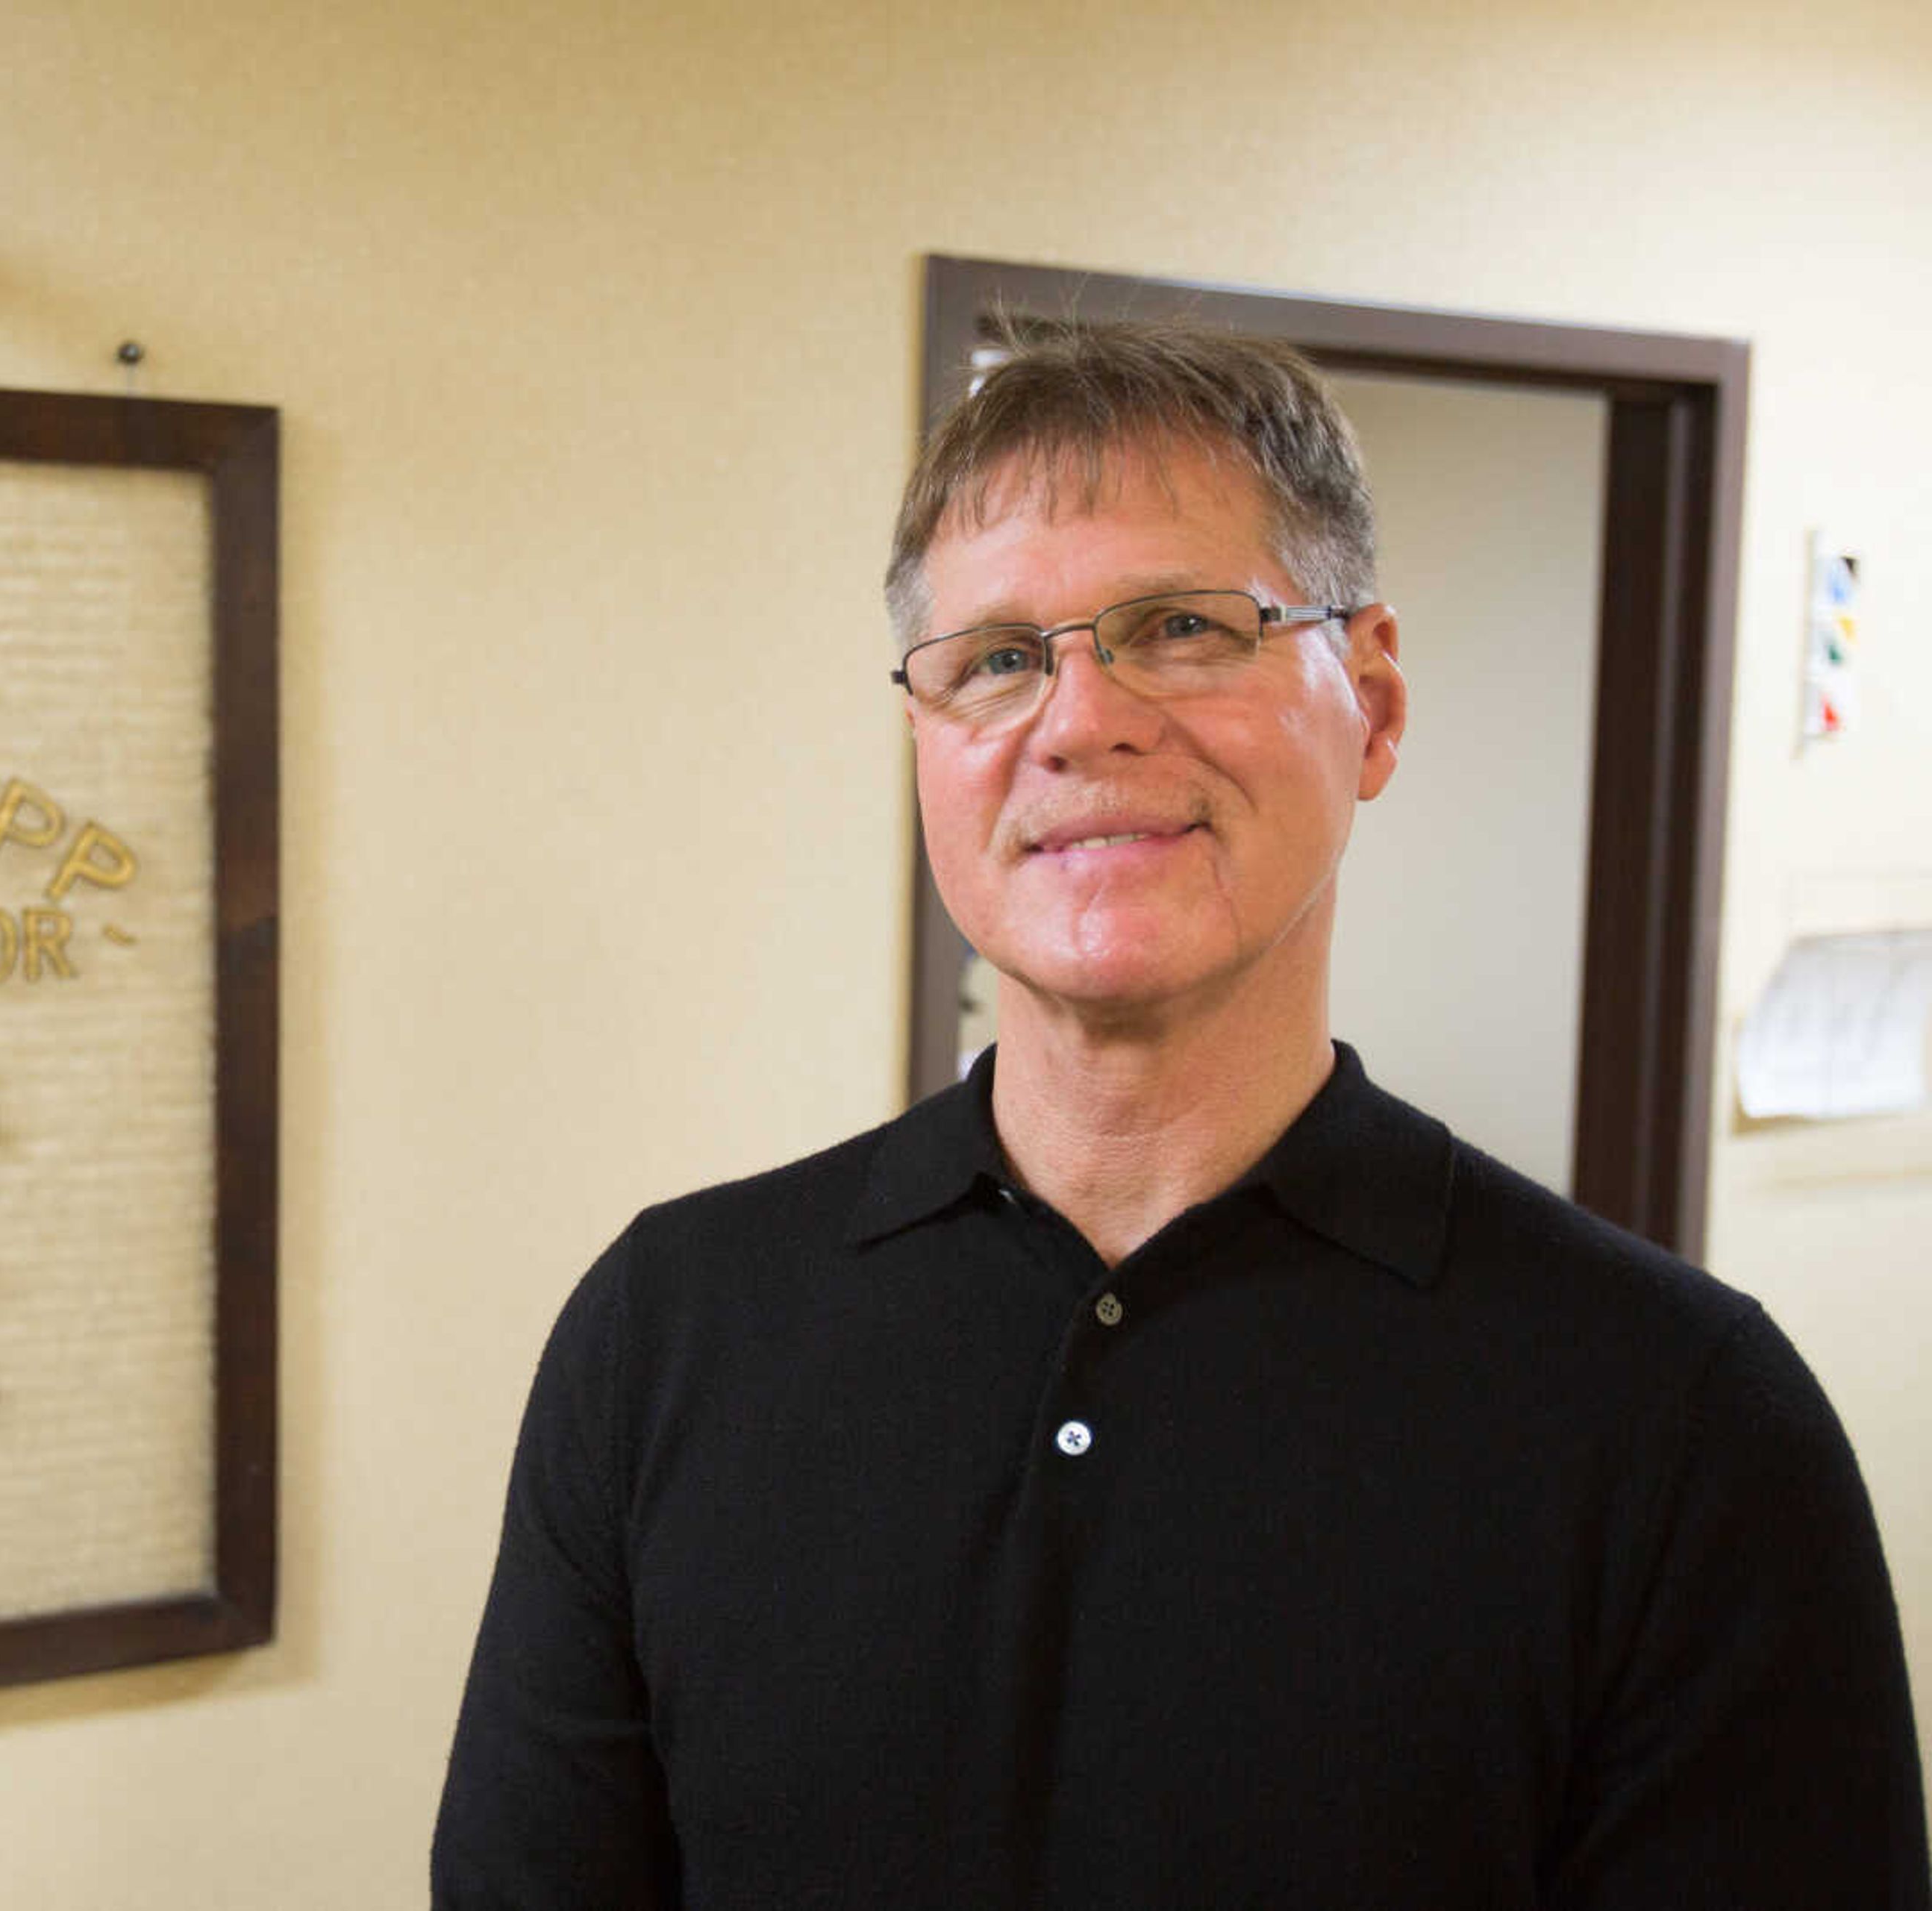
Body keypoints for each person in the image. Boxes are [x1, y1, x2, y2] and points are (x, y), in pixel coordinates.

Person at [432, 316, 1928, 1907]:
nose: (1080, 720)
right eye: (999, 659)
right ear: (927, 743)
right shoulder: (666, 1334)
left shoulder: (1684, 1423)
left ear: (1375, 703)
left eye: (1182, 627)